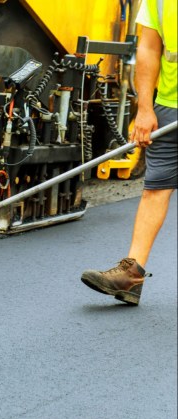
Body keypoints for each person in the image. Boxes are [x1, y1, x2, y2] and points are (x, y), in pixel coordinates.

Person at [80, 0, 176, 305]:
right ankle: (130, 277)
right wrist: (145, 108)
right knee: (154, 189)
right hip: (168, 108)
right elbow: (148, 49)